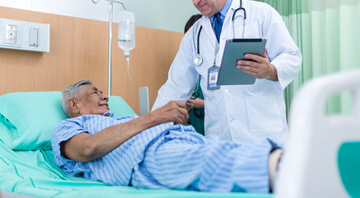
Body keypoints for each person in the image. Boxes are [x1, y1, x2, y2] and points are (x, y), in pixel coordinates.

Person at [152, 0, 302, 145]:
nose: (195, 0)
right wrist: (148, 126)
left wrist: (269, 70)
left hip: (262, 137)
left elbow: (293, 58)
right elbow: (174, 87)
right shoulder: (194, 34)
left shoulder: (261, 14)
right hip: (219, 142)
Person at [52, 80, 283, 193]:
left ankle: (290, 160)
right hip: (146, 157)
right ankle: (285, 168)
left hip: (182, 139)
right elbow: (87, 149)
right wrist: (154, 117)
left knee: (224, 149)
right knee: (208, 159)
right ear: (74, 104)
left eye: (103, 92)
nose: (105, 96)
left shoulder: (121, 118)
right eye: (95, 92)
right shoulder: (69, 127)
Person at [184, 14, 205, 135]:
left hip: (213, 126)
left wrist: (201, 104)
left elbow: (228, 102)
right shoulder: (188, 64)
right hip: (194, 126)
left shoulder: (216, 63)